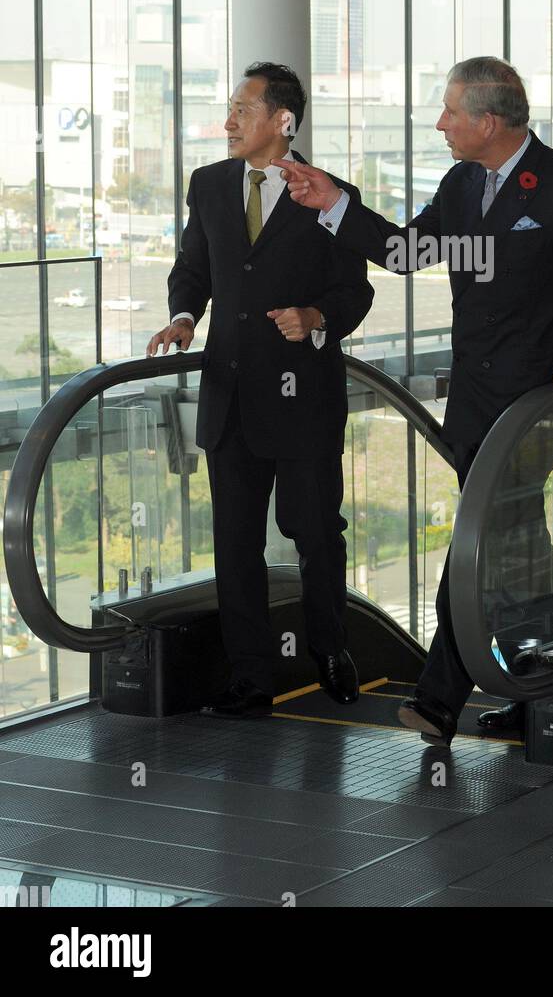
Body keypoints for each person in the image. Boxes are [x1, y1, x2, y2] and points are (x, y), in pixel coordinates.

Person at [272, 55, 553, 745]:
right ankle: (550, 690)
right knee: (510, 534)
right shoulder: (461, 183)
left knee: (481, 531)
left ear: (488, 122)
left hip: (535, 402)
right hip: (473, 400)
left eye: (450, 113)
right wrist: (333, 204)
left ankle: (440, 695)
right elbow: (407, 253)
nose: (439, 124)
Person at [147, 63, 374, 718]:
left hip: (303, 397)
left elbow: (353, 290)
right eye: (229, 109)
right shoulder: (210, 186)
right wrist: (185, 316)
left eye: (242, 110)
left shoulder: (331, 195)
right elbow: (194, 267)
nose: (227, 123)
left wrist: (317, 317)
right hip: (230, 396)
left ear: (282, 120)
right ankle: (251, 677)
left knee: (313, 530)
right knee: (235, 543)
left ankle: (330, 649)